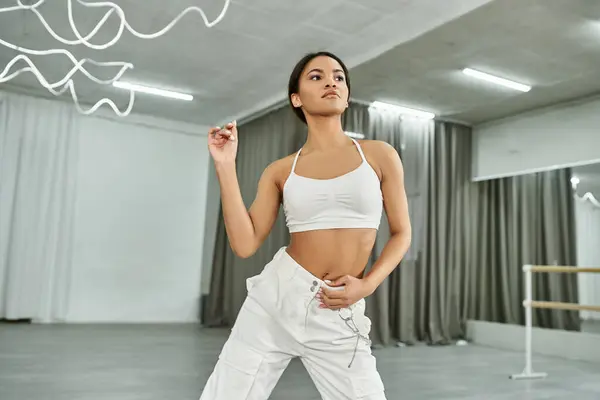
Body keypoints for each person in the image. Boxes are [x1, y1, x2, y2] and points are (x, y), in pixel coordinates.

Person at [200, 51, 412, 400]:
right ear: (296, 98)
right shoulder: (280, 170)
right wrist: (225, 166)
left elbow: (402, 233)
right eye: (316, 76)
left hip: (337, 308)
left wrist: (368, 284)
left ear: (346, 94)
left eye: (339, 77)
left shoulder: (379, 154)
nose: (331, 81)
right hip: (276, 301)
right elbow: (245, 243)